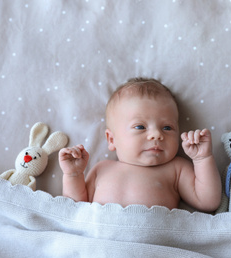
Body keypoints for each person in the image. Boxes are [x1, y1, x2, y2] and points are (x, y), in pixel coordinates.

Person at [59, 78, 222, 212]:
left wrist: (202, 159)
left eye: (167, 127)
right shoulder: (101, 169)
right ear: (111, 139)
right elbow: (75, 210)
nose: (156, 134)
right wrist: (73, 175)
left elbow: (208, 202)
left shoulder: (175, 169)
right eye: (140, 127)